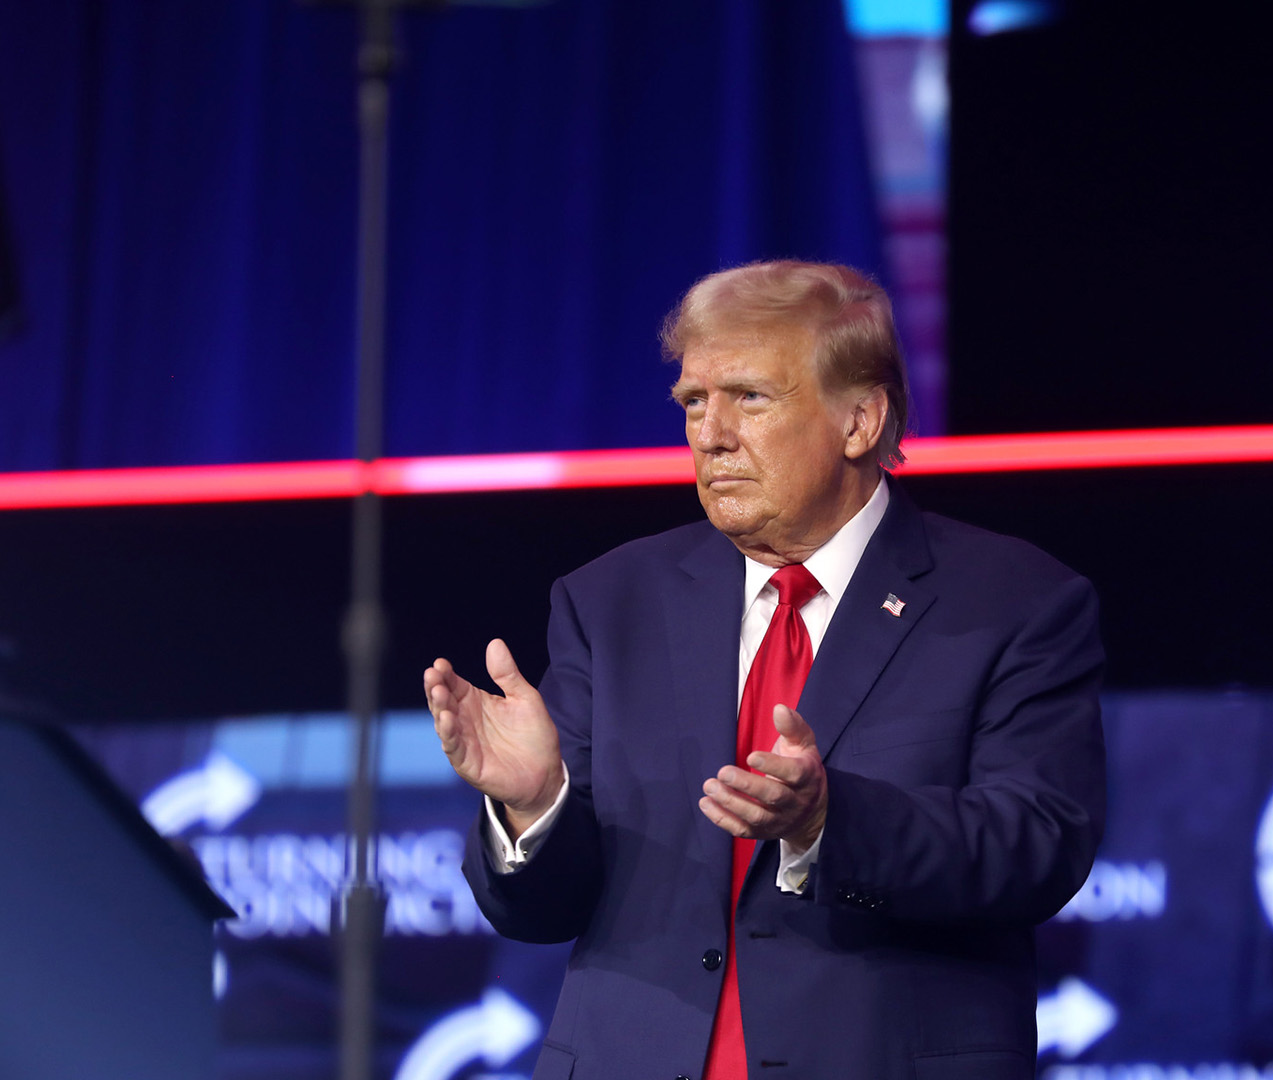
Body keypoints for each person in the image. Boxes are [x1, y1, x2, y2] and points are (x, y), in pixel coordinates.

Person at [427, 261, 1105, 1080]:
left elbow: (1036, 848)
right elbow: (539, 913)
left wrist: (830, 824)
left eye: (749, 397)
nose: (710, 435)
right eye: (692, 402)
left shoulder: (1012, 601)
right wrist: (535, 806)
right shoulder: (611, 602)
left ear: (859, 421)